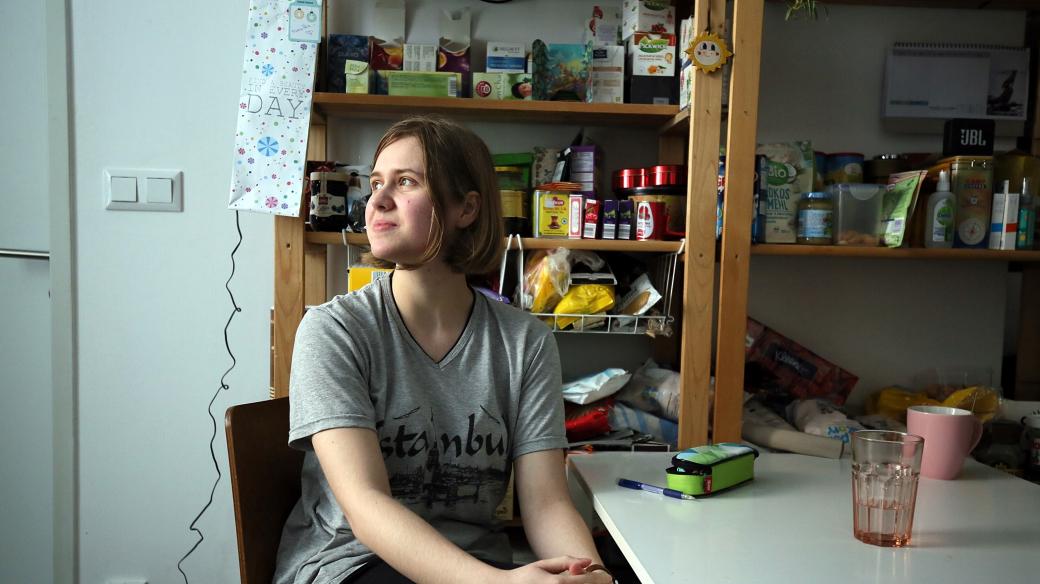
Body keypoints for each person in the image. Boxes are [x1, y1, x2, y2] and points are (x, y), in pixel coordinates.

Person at [273, 116, 613, 584]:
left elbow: (547, 502)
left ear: (466, 208)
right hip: (351, 563)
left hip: (479, 567)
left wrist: (589, 574)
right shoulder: (334, 330)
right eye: (376, 183)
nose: (377, 200)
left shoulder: (525, 342)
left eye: (406, 182)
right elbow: (365, 506)